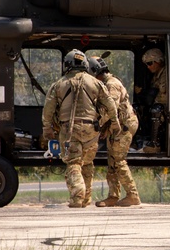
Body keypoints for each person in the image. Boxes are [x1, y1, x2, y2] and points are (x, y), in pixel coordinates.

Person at [41, 49, 121, 208]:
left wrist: (47, 128)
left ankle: (78, 196)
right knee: (87, 162)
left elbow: (48, 109)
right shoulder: (95, 82)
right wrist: (114, 122)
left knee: (74, 162)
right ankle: (86, 198)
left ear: (68, 64)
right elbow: (110, 104)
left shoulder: (59, 84)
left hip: (70, 130)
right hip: (92, 129)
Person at [90, 55, 142, 207]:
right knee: (112, 161)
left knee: (118, 161)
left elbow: (110, 109)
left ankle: (133, 195)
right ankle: (113, 196)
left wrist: (95, 124)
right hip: (117, 126)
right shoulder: (106, 83)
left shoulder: (112, 85)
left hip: (124, 126)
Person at [138, 47, 168, 153]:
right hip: (159, 107)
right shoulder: (156, 76)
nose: (148, 67)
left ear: (159, 61)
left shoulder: (166, 74)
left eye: (150, 63)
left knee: (156, 110)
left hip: (165, 110)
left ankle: (154, 144)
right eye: (146, 64)